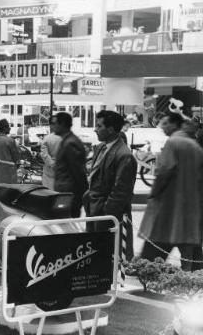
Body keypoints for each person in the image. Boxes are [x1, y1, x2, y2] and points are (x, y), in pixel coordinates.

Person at [139, 112, 203, 270]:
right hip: (190, 207)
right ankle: (192, 282)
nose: (162, 127)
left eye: (165, 123)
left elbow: (164, 171)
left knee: (153, 251)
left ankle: (147, 277)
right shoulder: (195, 146)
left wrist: (154, 193)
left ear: (175, 124)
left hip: (168, 206)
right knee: (191, 252)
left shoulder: (173, 142)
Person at [83, 111, 137, 258]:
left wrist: (106, 212)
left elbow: (121, 192)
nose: (95, 129)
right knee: (94, 256)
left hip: (109, 215)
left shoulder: (124, 155)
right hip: (93, 211)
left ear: (111, 129)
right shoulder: (101, 147)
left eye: (99, 126)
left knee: (110, 259)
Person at [50, 112, 88, 218]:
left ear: (62, 124)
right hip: (66, 193)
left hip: (70, 194)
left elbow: (78, 172)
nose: (52, 126)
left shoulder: (70, 143)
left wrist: (83, 194)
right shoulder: (66, 140)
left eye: (54, 123)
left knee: (68, 225)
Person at [0, 119, 20, 185]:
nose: (10, 128)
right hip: (8, 174)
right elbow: (16, 158)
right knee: (8, 193)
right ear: (5, 128)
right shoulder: (10, 141)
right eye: (8, 127)